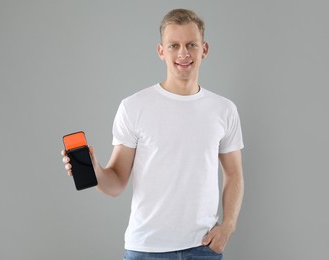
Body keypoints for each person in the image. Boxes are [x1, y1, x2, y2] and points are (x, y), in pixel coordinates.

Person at [62, 8, 244, 259]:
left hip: (204, 248)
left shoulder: (224, 110)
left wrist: (228, 227)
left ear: (204, 49)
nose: (183, 53)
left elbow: (234, 174)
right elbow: (115, 184)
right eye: (174, 45)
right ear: (161, 51)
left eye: (191, 44)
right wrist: (94, 169)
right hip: (146, 249)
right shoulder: (134, 107)